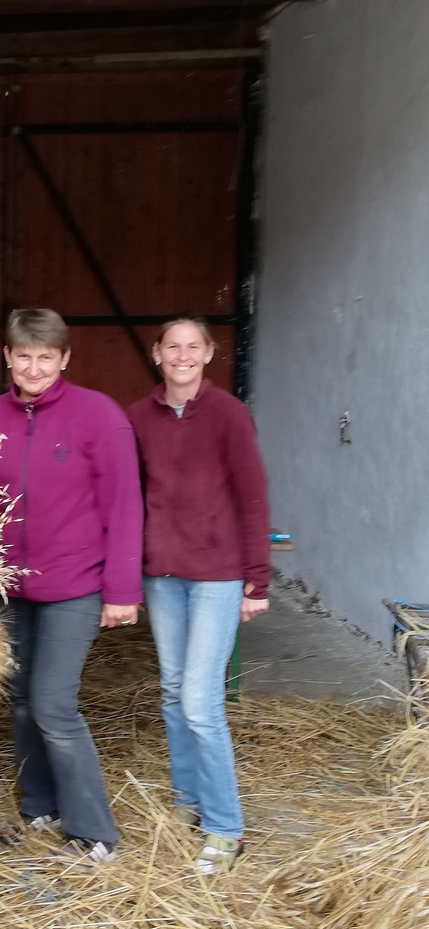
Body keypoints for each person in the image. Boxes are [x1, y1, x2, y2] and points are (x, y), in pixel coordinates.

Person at [0, 309, 143, 865]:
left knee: (53, 705)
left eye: (45, 357)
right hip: (8, 586)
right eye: (23, 356)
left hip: (75, 585)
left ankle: (94, 833)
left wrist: (122, 591)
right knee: (21, 700)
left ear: (65, 358)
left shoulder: (99, 416)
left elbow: (125, 506)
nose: (34, 367)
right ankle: (39, 805)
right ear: (7, 356)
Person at [127, 316, 271, 876]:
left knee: (200, 702)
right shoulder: (139, 416)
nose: (182, 355)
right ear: (157, 353)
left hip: (216, 575)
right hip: (163, 575)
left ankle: (226, 827)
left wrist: (257, 579)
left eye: (193, 346)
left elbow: (252, 496)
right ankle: (188, 800)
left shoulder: (229, 415)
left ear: (209, 353)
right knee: (173, 691)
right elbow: (132, 496)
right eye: (173, 346)